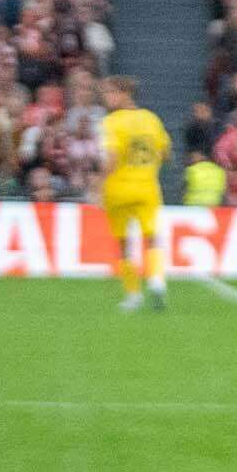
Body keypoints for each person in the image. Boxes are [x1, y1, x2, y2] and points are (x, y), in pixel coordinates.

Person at [97, 76, 170, 311]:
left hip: (118, 189)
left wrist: (98, 185)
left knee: (124, 243)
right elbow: (166, 152)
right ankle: (157, 281)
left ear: (124, 93)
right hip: (147, 188)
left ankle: (133, 295)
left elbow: (111, 157)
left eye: (110, 93)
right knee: (152, 237)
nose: (106, 98)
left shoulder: (112, 122)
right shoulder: (151, 119)